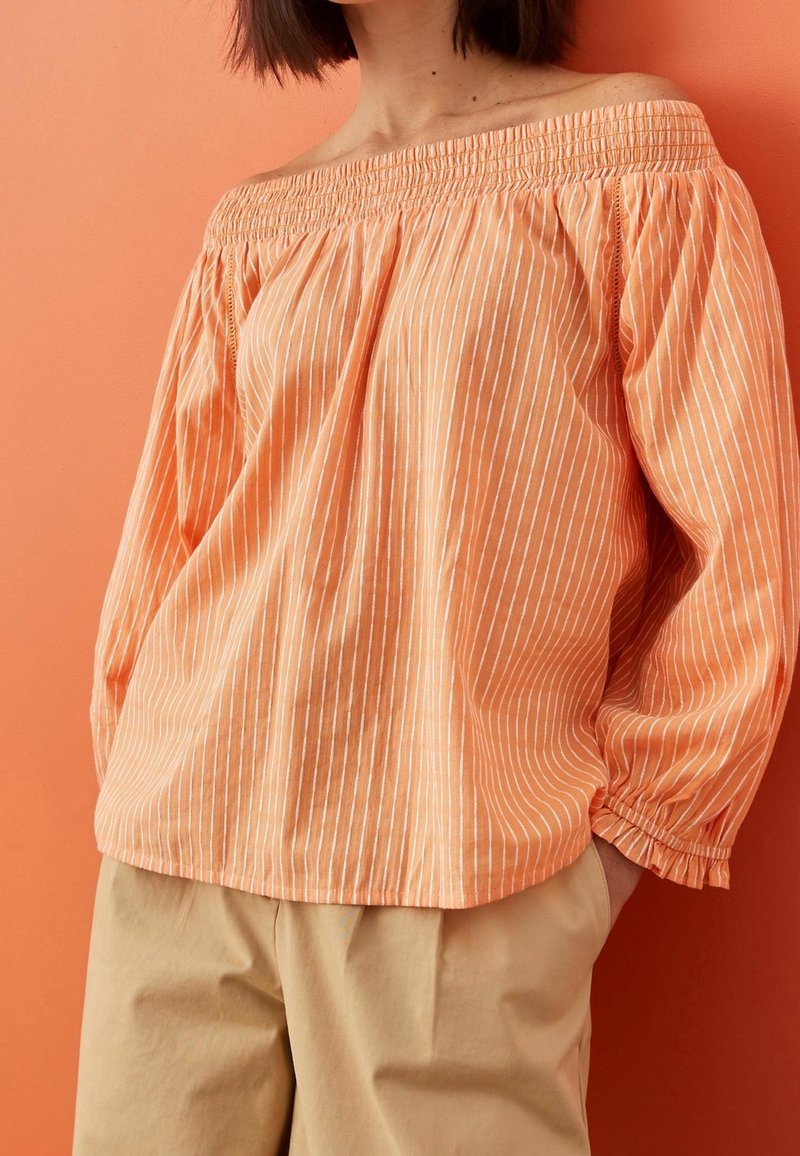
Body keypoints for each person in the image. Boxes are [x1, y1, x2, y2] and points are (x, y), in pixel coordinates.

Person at [72, 1, 800, 1152]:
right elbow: (169, 546)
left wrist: (598, 865)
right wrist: (136, 780)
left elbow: (739, 555)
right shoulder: (259, 225)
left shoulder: (633, 156)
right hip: (182, 848)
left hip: (452, 868)